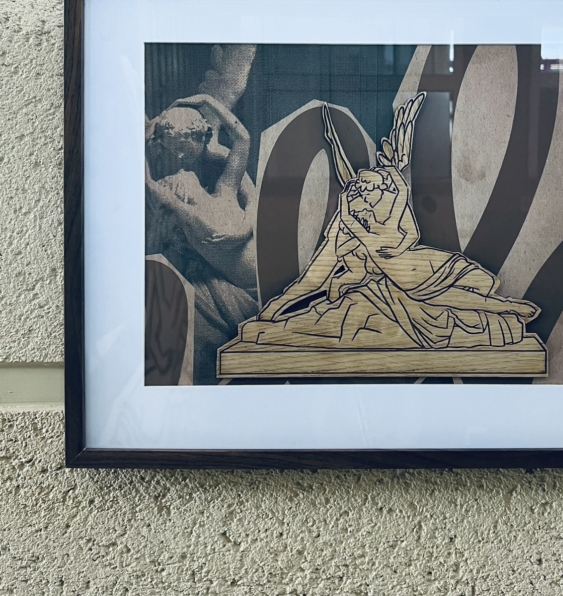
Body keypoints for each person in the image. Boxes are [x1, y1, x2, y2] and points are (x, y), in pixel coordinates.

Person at [241, 95, 539, 353]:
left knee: (464, 296)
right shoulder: (355, 224)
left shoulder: (378, 218)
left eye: (368, 184)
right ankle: (507, 307)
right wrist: (277, 306)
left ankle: (506, 308)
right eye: (361, 185)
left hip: (423, 273)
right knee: (459, 299)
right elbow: (313, 280)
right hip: (406, 283)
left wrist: (391, 160)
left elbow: (387, 188)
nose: (361, 184)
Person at [145, 94, 258, 381]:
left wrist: (141, 142)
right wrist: (206, 100)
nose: (181, 165)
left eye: (183, 151)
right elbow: (243, 138)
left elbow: (149, 185)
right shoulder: (221, 194)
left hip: (258, 277)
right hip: (252, 279)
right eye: (175, 153)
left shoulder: (211, 199)